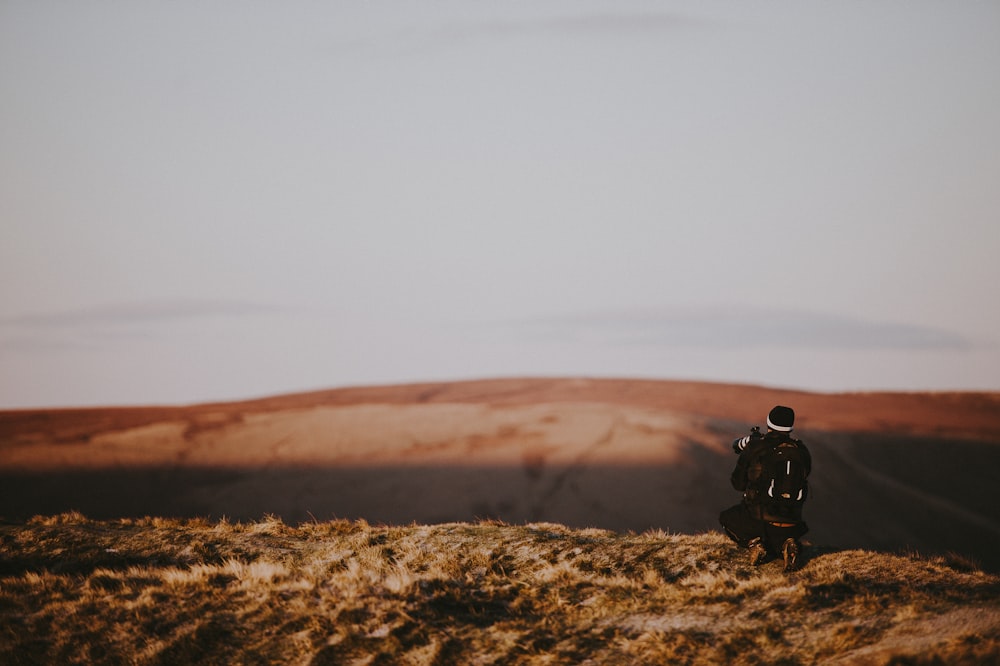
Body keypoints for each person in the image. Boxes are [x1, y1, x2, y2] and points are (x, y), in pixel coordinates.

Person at [719, 405, 811, 571]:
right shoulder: (801, 450)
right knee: (778, 536)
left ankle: (755, 544)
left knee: (727, 518)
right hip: (793, 522)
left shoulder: (756, 448)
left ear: (769, 423)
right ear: (790, 427)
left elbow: (737, 484)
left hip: (758, 519)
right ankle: (786, 544)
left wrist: (749, 452)